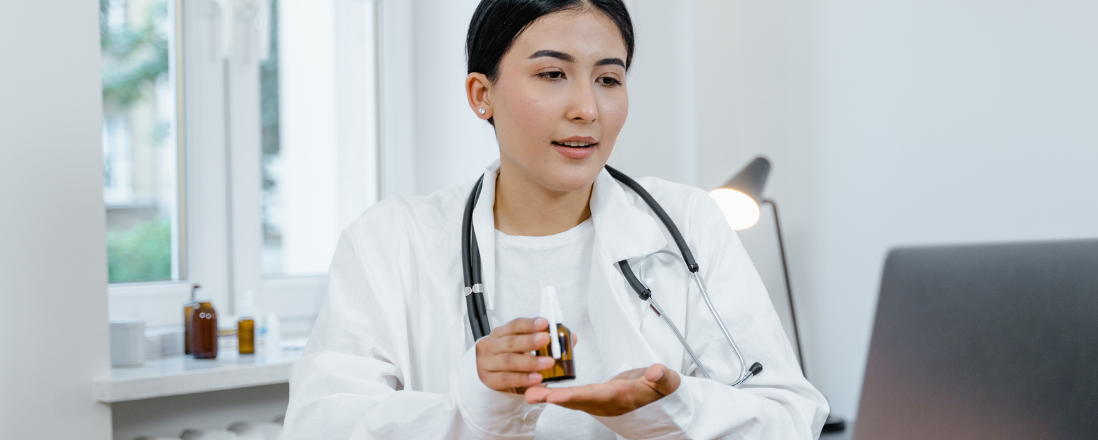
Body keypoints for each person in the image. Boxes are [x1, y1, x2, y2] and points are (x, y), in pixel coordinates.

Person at [283, 0, 828, 438]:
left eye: (609, 80)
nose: (586, 108)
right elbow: (320, 425)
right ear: (482, 94)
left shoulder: (686, 222)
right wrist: (478, 400)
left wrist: (666, 409)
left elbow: (788, 416)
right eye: (552, 74)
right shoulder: (390, 242)